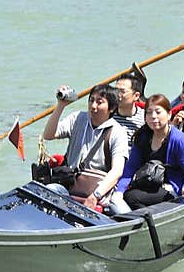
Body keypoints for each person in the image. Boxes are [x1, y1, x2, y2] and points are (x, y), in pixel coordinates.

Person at [43, 83, 129, 213]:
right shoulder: (77, 118)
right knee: (49, 191)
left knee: (122, 211)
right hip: (70, 186)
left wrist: (96, 196)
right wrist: (60, 106)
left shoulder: (117, 132)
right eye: (91, 101)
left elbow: (117, 171)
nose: (93, 106)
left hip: (101, 192)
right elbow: (48, 135)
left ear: (112, 108)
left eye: (99, 102)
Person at [116, 94, 184, 209]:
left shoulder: (179, 140)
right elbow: (131, 167)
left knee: (131, 197)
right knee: (124, 195)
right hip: (146, 182)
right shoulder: (142, 136)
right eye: (149, 112)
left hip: (170, 188)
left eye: (158, 112)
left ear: (169, 114)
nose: (153, 117)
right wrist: (119, 191)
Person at [112, 73, 145, 146]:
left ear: (136, 96)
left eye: (122, 91)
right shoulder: (106, 116)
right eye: (116, 90)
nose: (117, 95)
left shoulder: (145, 118)